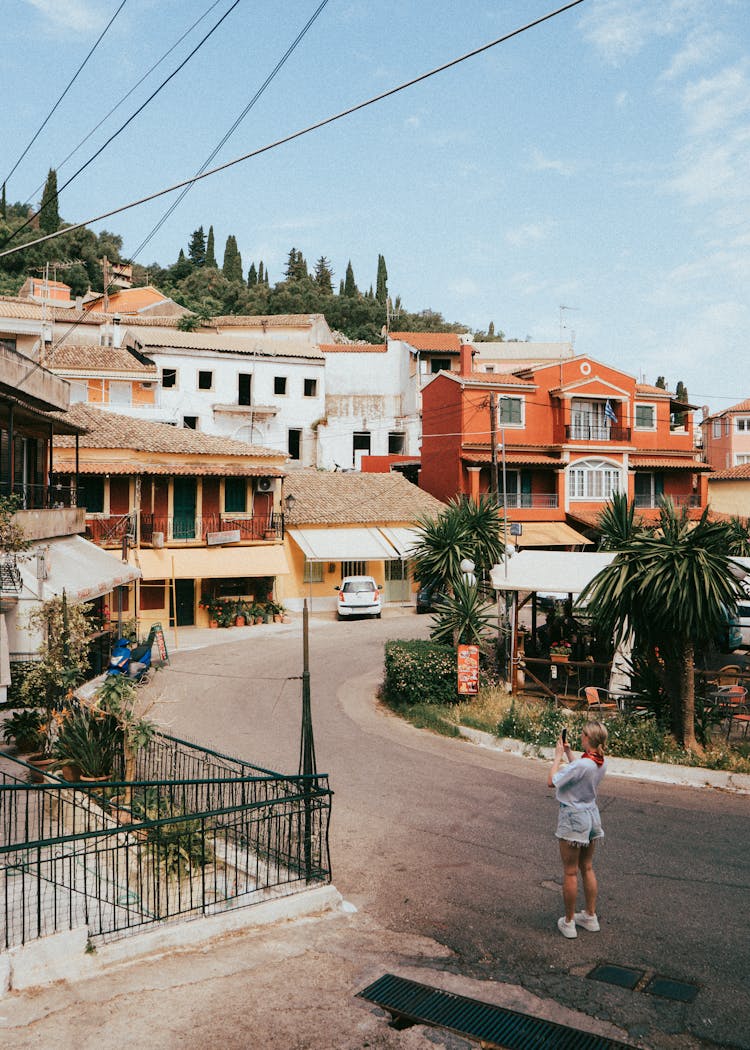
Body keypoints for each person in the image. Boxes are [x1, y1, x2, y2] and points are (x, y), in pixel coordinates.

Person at [547, 720, 608, 939]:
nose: (581, 736)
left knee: (570, 871)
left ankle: (569, 922)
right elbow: (581, 770)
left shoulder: (583, 765)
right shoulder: (600, 762)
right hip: (591, 816)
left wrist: (557, 758)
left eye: (583, 734)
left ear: (588, 738)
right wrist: (570, 754)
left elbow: (552, 781)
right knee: (587, 867)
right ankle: (590, 917)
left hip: (573, 818)